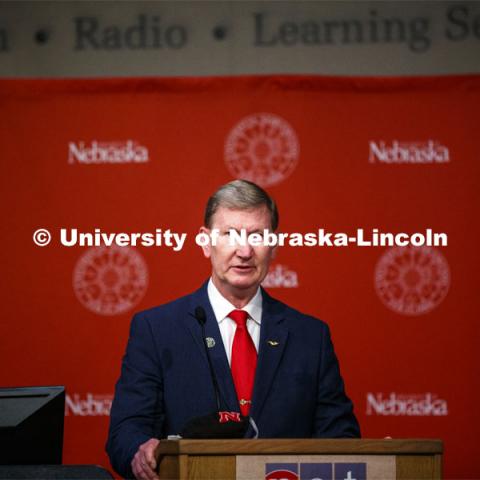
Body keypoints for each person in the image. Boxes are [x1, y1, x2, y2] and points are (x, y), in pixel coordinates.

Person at [106, 180, 360, 479]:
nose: (244, 251)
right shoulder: (156, 329)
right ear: (205, 242)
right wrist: (141, 451)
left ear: (274, 245)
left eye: (257, 236)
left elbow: (340, 438)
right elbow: (125, 432)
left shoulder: (310, 336)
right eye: (230, 234)